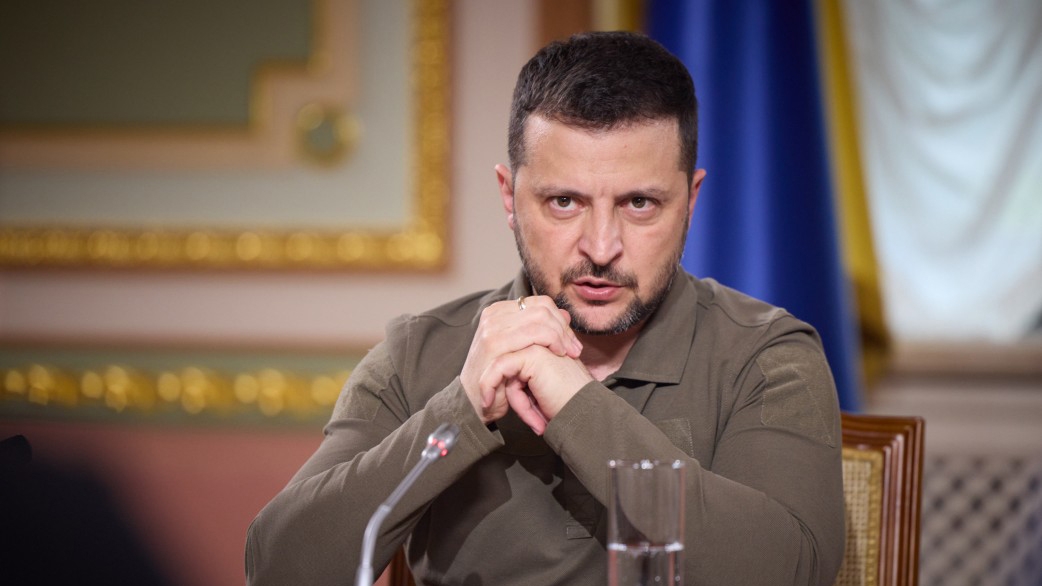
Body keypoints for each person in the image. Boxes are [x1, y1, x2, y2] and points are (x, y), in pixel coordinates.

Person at [246, 31, 845, 586]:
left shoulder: (767, 357)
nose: (601, 247)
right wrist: (461, 410)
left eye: (639, 203)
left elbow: (793, 573)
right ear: (510, 197)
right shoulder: (419, 353)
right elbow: (277, 568)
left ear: (690, 201)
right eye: (564, 202)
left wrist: (575, 402)